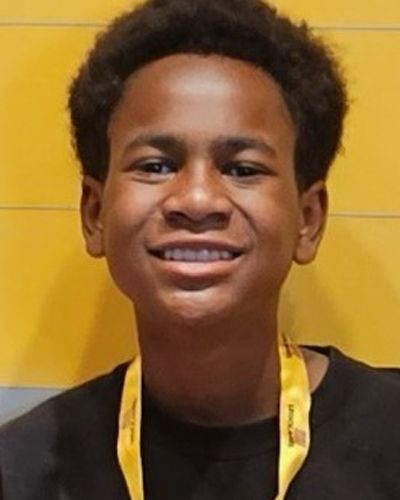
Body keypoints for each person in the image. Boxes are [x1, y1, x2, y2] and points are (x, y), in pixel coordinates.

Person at [1, 0, 400, 498]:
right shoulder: (21, 471)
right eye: (155, 166)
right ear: (95, 213)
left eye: (242, 169)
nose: (196, 200)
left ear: (308, 219)